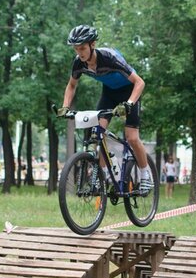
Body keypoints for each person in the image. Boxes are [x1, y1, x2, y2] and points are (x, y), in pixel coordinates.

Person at [57, 24, 153, 193]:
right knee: (98, 132)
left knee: (131, 137)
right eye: (76, 49)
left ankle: (146, 175)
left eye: (82, 48)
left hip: (130, 91)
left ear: (92, 45)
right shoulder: (79, 63)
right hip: (109, 93)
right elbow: (71, 85)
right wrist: (65, 107)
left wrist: (129, 104)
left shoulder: (109, 57)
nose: (79, 53)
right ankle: (103, 176)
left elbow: (140, 82)